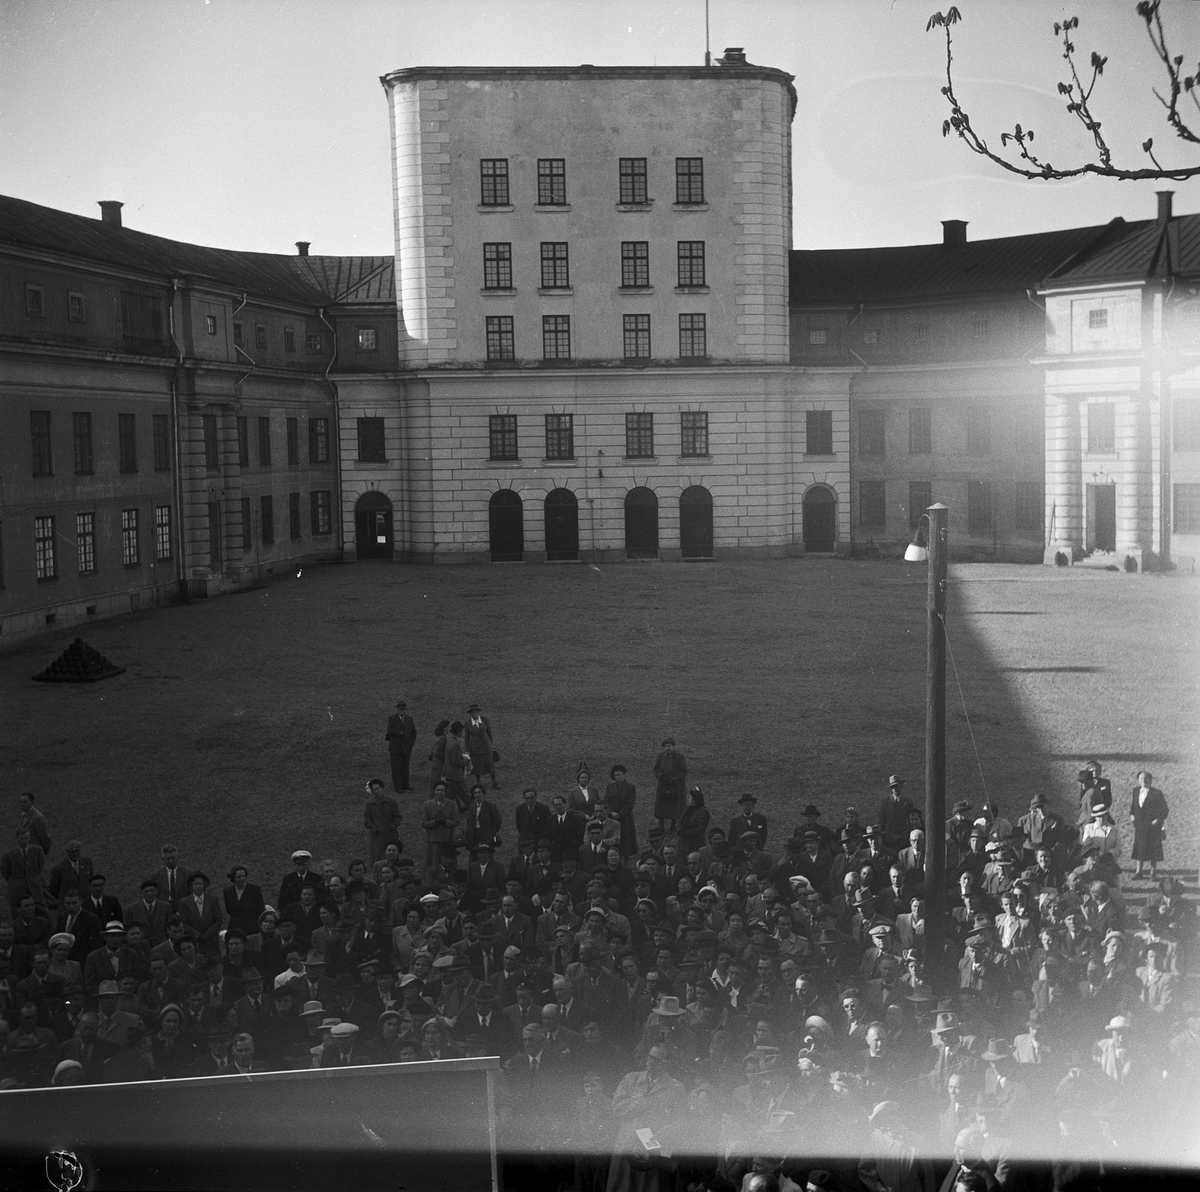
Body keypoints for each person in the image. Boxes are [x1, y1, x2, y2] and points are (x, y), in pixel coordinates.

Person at [1129, 770, 1168, 881]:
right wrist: (1132, 815)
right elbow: (1133, 806)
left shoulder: (1157, 793)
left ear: (1150, 780)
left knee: (1153, 851)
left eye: (1146, 778)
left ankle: (1152, 872)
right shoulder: (1136, 791)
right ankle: (1138, 872)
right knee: (1139, 849)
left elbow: (1164, 809)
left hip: (1152, 827)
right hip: (1140, 826)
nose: (1143, 781)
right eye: (1141, 779)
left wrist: (1158, 820)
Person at [421, 782, 459, 875]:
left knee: (447, 862)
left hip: (447, 839)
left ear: (445, 792)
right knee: (433, 862)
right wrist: (435, 822)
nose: (440, 792)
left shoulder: (451, 804)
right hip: (432, 839)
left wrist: (445, 822)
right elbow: (424, 823)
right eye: (438, 790)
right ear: (434, 791)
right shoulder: (427, 805)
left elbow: (456, 822)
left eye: (442, 790)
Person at [652, 737, 687, 835]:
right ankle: (661, 826)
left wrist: (673, 780)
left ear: (673, 747)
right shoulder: (660, 757)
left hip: (675, 786)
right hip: (663, 784)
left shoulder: (680, 757)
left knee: (675, 806)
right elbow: (656, 769)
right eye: (665, 746)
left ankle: (673, 826)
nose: (667, 748)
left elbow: (683, 771)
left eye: (669, 746)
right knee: (661, 806)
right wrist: (661, 776)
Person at [363, 779, 402, 865]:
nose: (376, 791)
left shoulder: (391, 801)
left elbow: (398, 816)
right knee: (378, 857)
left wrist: (393, 826)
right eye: (374, 789)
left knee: (392, 856)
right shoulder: (369, 804)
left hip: (391, 834)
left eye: (378, 788)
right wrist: (374, 829)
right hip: (377, 836)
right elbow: (367, 820)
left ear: (382, 788)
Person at [606, 765, 638, 860]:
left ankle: (626, 860)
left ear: (624, 775)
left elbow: (630, 803)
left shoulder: (630, 787)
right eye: (615, 775)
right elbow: (606, 801)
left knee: (626, 839)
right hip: (612, 817)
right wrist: (611, 812)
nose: (617, 777)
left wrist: (619, 814)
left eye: (619, 775)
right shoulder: (610, 787)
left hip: (625, 818)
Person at [464, 703, 499, 790]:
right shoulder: (468, 723)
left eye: (476, 712)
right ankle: (478, 782)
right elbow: (467, 737)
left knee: (490, 764)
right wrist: (467, 749)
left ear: (478, 713)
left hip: (486, 745)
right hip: (475, 747)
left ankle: (494, 782)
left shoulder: (484, 720)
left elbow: (489, 732)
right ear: (470, 714)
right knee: (477, 765)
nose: (474, 714)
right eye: (472, 712)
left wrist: (490, 744)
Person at [385, 699, 417, 792]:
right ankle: (398, 786)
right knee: (396, 768)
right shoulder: (392, 718)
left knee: (405, 767)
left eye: (404, 710)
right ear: (398, 710)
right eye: (401, 710)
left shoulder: (409, 719)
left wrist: (411, 743)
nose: (403, 711)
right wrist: (400, 732)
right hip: (395, 748)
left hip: (406, 748)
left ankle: (405, 785)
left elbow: (414, 732)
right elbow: (390, 731)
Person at [442, 721, 469, 811]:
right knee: (465, 794)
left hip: (449, 773)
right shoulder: (455, 744)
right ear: (459, 731)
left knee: (449, 795)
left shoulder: (449, 740)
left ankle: (442, 810)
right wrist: (466, 762)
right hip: (456, 775)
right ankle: (474, 809)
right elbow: (456, 761)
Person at [678, 785, 711, 856]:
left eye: (689, 798)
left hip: (695, 845)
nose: (688, 800)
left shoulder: (703, 812)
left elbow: (700, 829)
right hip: (684, 845)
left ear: (694, 799)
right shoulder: (688, 810)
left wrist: (687, 833)